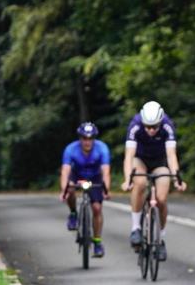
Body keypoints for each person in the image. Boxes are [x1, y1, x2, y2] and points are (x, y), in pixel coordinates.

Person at [121, 101, 187, 260]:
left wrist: (177, 178)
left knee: (162, 199)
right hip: (140, 160)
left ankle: (160, 239)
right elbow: (129, 156)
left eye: (154, 127)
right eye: (147, 127)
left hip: (159, 162)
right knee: (140, 183)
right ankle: (136, 227)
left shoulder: (167, 125)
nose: (151, 130)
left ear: (160, 122)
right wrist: (127, 179)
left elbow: (171, 155)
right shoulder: (135, 125)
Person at [60, 122, 112, 258]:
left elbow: (106, 171)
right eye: (84, 138)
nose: (87, 142)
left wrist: (106, 190)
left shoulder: (102, 148)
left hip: (95, 178)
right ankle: (73, 213)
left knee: (96, 208)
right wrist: (64, 191)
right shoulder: (71, 149)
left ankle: (97, 242)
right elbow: (65, 171)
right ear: (80, 138)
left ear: (94, 139)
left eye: (90, 139)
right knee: (70, 189)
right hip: (77, 175)